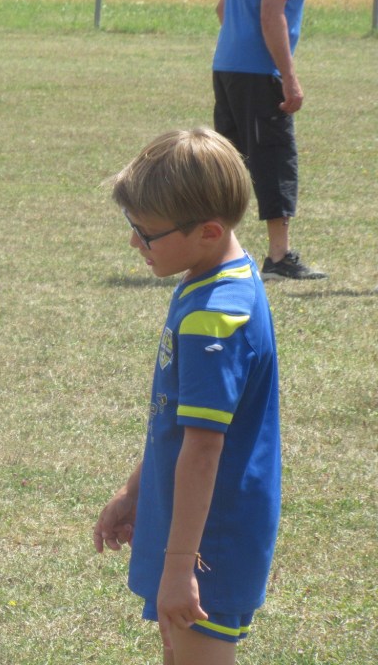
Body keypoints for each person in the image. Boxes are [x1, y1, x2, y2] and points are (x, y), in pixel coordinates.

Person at [94, 128, 282, 665]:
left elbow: (203, 449)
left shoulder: (214, 318)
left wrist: (180, 567)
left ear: (208, 231)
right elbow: (178, 424)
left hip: (209, 539)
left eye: (146, 232)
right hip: (192, 529)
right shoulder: (216, 276)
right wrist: (135, 490)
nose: (135, 242)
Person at [212, 0, 335, 279]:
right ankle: (279, 258)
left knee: (228, 163)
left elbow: (222, 9)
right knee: (274, 156)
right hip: (259, 72)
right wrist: (289, 77)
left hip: (226, 65)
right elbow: (272, 14)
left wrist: (240, 42)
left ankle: (215, 252)